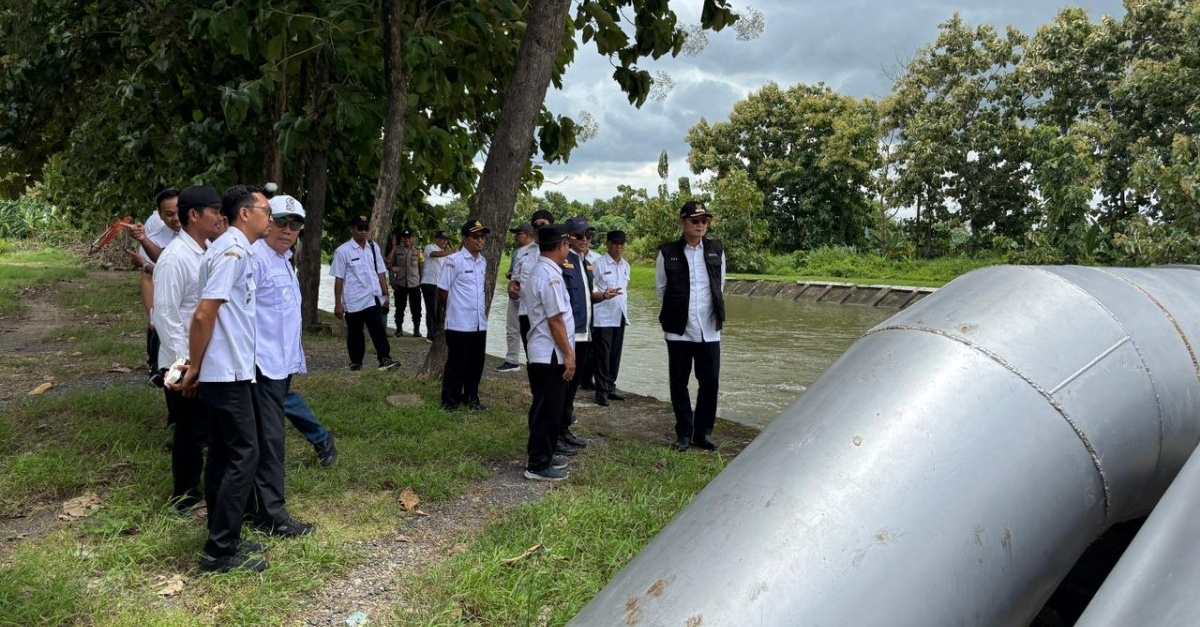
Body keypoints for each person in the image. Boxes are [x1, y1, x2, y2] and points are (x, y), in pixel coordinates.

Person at [175, 184, 273, 574]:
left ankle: (221, 534)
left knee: (220, 454)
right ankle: (220, 551)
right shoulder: (233, 251)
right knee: (244, 454)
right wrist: (195, 367)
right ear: (245, 213)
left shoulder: (228, 248)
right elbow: (204, 314)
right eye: (266, 210)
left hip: (228, 370)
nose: (271, 218)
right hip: (226, 371)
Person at [247, 193, 318, 538]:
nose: (287, 230)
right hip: (261, 367)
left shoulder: (284, 260)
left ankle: (256, 509)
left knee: (264, 441)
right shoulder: (256, 259)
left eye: (295, 224)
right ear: (266, 222)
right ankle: (273, 516)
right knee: (270, 442)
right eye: (280, 222)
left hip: (280, 365)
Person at [152, 185, 224, 514]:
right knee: (189, 431)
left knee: (204, 429)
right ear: (194, 215)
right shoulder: (175, 258)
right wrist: (187, 364)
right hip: (184, 361)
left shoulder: (206, 250)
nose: (220, 217)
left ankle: (199, 490)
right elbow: (165, 315)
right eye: (214, 211)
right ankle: (185, 496)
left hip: (204, 358)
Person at [656, 201, 726, 453]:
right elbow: (661, 290)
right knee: (679, 383)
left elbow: (720, 286)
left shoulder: (717, 250)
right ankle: (684, 432)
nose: (700, 225)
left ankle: (703, 432)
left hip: (709, 328)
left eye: (704, 220)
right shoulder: (668, 252)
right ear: (682, 222)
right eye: (695, 220)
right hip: (679, 331)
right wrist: (676, 313)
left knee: (710, 381)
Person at [523, 225, 575, 481]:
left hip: (545, 352)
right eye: (567, 244)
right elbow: (555, 320)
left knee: (545, 406)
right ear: (561, 246)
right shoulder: (549, 275)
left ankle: (545, 452)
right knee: (548, 410)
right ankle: (538, 464)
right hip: (549, 353)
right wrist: (569, 354)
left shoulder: (543, 270)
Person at [331, 215, 398, 371]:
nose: (363, 231)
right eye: (359, 228)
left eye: (366, 228)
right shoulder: (342, 251)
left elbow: (380, 272)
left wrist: (385, 294)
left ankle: (385, 359)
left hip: (372, 297)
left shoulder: (373, 247)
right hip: (353, 299)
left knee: (378, 329)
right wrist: (338, 303)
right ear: (352, 229)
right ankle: (356, 362)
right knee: (355, 333)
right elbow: (339, 278)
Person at [129, 189, 181, 382]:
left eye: (179, 211)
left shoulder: (200, 235)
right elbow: (147, 278)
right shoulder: (154, 240)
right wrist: (152, 313)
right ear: (160, 215)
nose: (176, 218)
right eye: (169, 214)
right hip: (166, 302)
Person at [438, 219, 490, 411]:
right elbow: (442, 290)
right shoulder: (454, 261)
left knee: (476, 363)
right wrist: (453, 309)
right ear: (465, 239)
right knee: (456, 364)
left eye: (482, 237)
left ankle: (471, 398)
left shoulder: (482, 262)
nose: (480, 240)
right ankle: (450, 402)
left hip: (478, 323)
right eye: (475, 236)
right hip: (459, 323)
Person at [558, 217, 595, 451]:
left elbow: (587, 298)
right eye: (580, 236)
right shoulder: (563, 262)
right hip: (570, 334)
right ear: (568, 238)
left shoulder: (586, 263)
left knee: (572, 389)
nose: (585, 240)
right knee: (562, 388)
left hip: (585, 333)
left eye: (588, 236)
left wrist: (604, 295)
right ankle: (557, 433)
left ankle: (565, 429)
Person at [591, 230, 630, 407]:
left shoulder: (626, 265)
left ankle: (611, 387)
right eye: (615, 243)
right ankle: (601, 392)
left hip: (619, 315)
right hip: (603, 317)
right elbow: (591, 288)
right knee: (603, 356)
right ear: (608, 244)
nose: (618, 247)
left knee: (615, 354)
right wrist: (604, 294)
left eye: (621, 244)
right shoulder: (598, 264)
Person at [508, 209, 555, 360]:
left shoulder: (561, 251)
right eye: (536, 225)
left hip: (550, 314)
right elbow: (515, 279)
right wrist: (511, 286)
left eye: (543, 224)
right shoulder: (523, 253)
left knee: (552, 359)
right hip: (526, 312)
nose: (539, 228)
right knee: (531, 357)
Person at [497, 223, 536, 372]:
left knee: (530, 331)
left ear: (529, 234)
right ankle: (512, 360)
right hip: (515, 295)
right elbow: (515, 272)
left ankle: (533, 360)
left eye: (519, 234)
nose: (516, 237)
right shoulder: (518, 252)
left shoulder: (538, 251)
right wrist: (511, 281)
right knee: (512, 328)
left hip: (529, 298)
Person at [386, 229, 422, 337]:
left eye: (409, 238)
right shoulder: (397, 250)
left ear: (413, 239)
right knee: (399, 307)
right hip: (400, 284)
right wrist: (392, 281)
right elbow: (389, 265)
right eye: (405, 238)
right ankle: (399, 329)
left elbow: (422, 268)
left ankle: (416, 330)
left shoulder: (418, 252)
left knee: (416, 308)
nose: (407, 240)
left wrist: (421, 282)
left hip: (414, 284)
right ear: (402, 239)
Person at [420, 231, 452, 342]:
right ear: (436, 239)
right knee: (431, 309)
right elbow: (435, 254)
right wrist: (453, 251)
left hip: (440, 285)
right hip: (429, 283)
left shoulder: (446, 254)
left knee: (439, 310)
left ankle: (437, 334)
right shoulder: (430, 247)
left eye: (445, 239)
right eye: (441, 239)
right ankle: (431, 335)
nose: (444, 241)